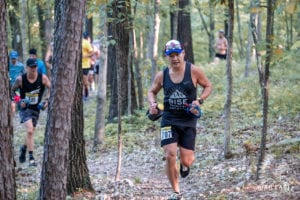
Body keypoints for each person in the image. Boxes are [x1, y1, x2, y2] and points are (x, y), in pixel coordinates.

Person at [148, 40, 212, 200]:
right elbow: (151, 91)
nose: (175, 58)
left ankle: (185, 165)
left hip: (188, 119)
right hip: (168, 118)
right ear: (167, 57)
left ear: (183, 53)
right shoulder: (162, 75)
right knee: (170, 154)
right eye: (171, 56)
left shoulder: (194, 71)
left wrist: (199, 100)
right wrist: (153, 104)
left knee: (187, 159)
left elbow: (208, 86)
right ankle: (175, 192)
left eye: (178, 55)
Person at [11, 58, 51, 166]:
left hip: (36, 108)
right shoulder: (20, 79)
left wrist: (47, 101)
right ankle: (31, 159)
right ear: (27, 68)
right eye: (31, 67)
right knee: (29, 131)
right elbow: (12, 91)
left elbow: (51, 88)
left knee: (31, 131)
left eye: (35, 67)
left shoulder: (43, 78)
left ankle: (24, 148)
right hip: (25, 108)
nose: (33, 69)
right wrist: (19, 101)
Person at [82, 32, 96, 100]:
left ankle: (86, 94)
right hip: (78, 65)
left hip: (85, 65)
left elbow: (92, 52)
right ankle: (81, 95)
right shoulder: (77, 42)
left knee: (84, 81)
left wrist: (85, 56)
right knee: (79, 81)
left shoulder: (86, 43)